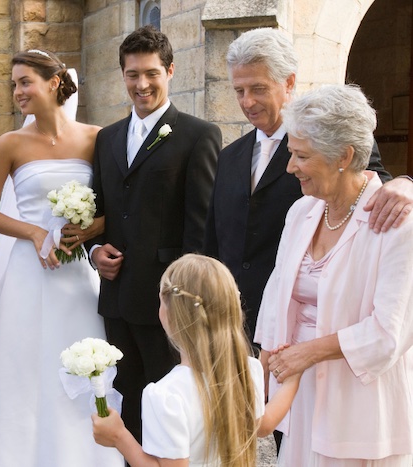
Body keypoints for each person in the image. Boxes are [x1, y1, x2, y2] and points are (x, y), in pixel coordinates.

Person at [204, 27, 413, 347]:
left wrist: (406, 183)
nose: (247, 102)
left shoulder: (332, 143)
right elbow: (214, 242)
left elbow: (375, 185)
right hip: (232, 330)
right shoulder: (229, 157)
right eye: (239, 90)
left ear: (289, 82)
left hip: (300, 329)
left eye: (258, 88)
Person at [0, 49, 124, 467]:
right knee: (23, 366)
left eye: (25, 82)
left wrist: (88, 231)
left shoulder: (97, 138)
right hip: (28, 271)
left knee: (84, 362)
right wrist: (35, 232)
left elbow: (118, 207)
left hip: (77, 276)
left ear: (55, 82)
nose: (18, 91)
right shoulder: (11, 143)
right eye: (14, 84)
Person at [255, 84, 413, 465]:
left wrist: (307, 354)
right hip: (299, 393)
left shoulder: (398, 224)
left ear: (344, 156)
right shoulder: (301, 213)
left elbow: (387, 335)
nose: (290, 167)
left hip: (361, 404)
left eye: (301, 156)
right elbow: (276, 303)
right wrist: (256, 382)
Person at [87, 25, 222, 442]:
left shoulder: (198, 136)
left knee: (170, 409)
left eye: (151, 73)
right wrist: (93, 251)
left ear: (170, 71)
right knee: (124, 403)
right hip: (116, 299)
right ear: (122, 75)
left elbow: (200, 227)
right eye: (132, 74)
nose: (141, 84)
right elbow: (97, 211)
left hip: (168, 303)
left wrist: (184, 301)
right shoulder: (106, 138)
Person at [91, 254, 302, 466]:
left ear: (169, 315)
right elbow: (263, 425)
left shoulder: (167, 395)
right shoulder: (247, 368)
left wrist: (120, 437)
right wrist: (294, 377)